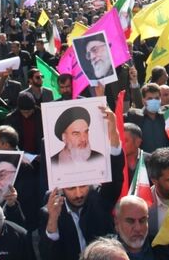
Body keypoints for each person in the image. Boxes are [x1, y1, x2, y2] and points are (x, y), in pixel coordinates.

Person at [39, 106, 125, 260]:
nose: (79, 194)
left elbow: (116, 173)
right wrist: (53, 220)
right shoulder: (50, 208)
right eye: (71, 188)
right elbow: (48, 255)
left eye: (86, 132)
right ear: (64, 137)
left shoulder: (99, 198)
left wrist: (113, 132)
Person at [113, 195, 169, 260]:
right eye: (130, 221)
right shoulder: (106, 254)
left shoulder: (167, 249)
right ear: (117, 223)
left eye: (142, 220)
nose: (138, 228)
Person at [125, 83, 169, 154]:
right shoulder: (134, 117)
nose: (154, 101)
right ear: (143, 100)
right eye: (150, 98)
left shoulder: (167, 115)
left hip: (167, 161)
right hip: (145, 162)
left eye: (157, 98)